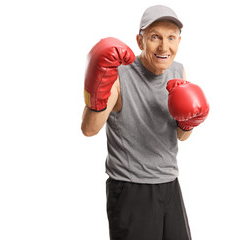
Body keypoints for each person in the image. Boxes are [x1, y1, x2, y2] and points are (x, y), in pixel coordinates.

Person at [81, 5, 209, 240]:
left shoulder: (178, 71)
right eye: (154, 37)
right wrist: (96, 91)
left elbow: (180, 136)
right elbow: (89, 130)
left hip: (170, 184)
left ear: (179, 41)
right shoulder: (120, 73)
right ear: (140, 41)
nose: (164, 47)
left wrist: (189, 123)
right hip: (131, 188)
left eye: (171, 37)